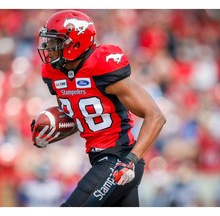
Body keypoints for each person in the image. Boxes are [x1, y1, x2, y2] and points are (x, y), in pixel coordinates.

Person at [31, 9, 166, 207]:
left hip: (119, 160)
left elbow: (155, 116)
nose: (49, 48)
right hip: (100, 159)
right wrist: (51, 131)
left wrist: (130, 160)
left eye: (55, 42)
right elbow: (80, 117)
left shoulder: (102, 65)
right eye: (49, 42)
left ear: (75, 43)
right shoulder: (54, 74)